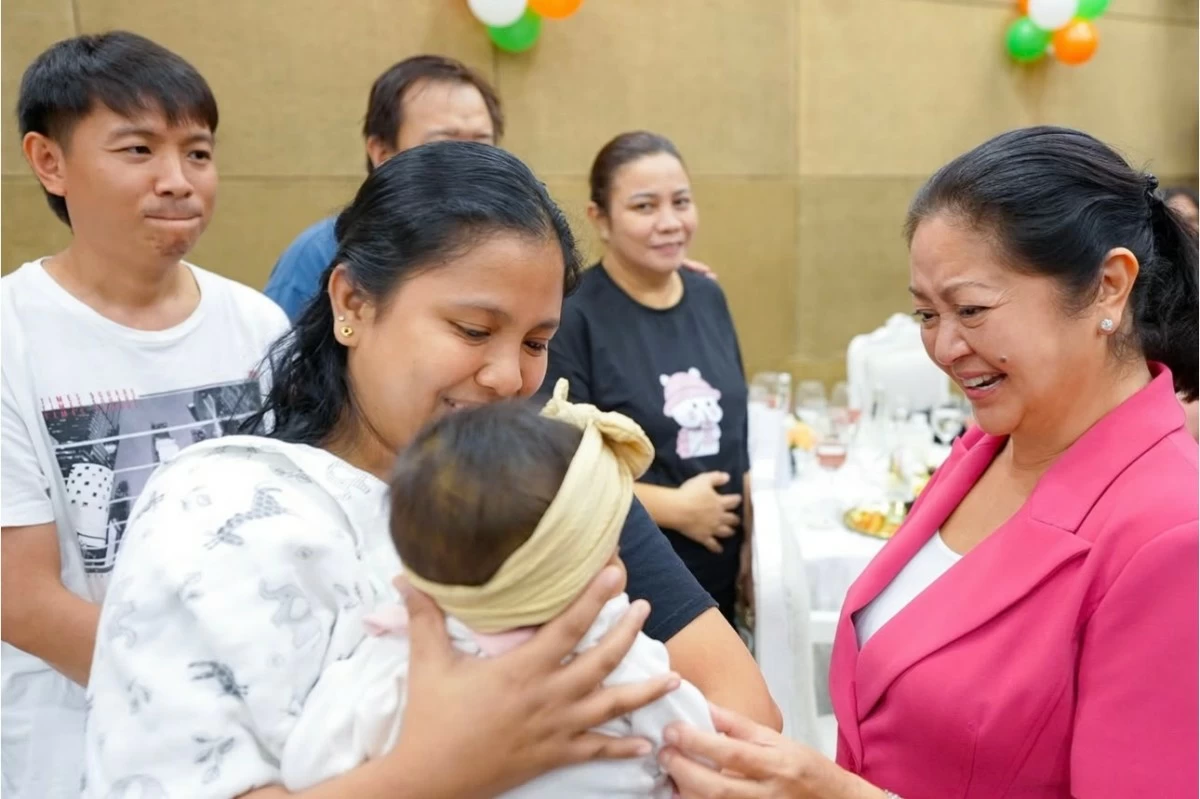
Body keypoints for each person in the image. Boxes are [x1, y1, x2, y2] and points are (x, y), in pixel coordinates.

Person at [84, 141, 778, 798]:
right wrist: (440, 766)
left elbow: (746, 711)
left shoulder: (549, 486)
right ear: (354, 301)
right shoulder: (223, 511)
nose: (509, 377)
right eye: (473, 330)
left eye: (537, 341)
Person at [659, 127, 1199, 798]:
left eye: (971, 309)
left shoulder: (1173, 535)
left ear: (1109, 287)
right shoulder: (985, 449)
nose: (944, 347)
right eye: (925, 313)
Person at [0, 32, 288, 799]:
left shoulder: (259, 327)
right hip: (78, 747)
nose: (179, 181)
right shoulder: (11, 336)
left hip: (268, 737)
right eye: (138, 150)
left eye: (198, 152)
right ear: (49, 161)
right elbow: (19, 598)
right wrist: (212, 693)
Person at [282, 385, 714, 796]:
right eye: (611, 549)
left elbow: (303, 768)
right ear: (599, 573)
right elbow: (707, 756)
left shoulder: (390, 663)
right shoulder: (618, 662)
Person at [263, 56, 717, 322]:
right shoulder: (319, 253)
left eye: (480, 143)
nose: (466, 162)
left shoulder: (511, 248)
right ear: (381, 152)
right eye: (443, 144)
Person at [544, 131, 750, 625]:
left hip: (723, 572)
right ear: (601, 219)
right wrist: (676, 508)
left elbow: (736, 431)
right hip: (632, 579)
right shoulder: (573, 318)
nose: (670, 223)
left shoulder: (708, 295)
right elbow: (561, 468)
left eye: (681, 202)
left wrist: (752, 547)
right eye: (644, 206)